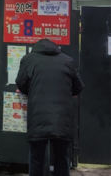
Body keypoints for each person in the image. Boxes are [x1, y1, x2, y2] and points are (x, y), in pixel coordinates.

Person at [16, 38, 84, 176]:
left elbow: (21, 84)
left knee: (36, 159)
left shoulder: (29, 59)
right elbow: (78, 87)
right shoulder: (67, 61)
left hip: (38, 117)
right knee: (62, 158)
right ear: (56, 47)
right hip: (62, 119)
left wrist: (32, 89)